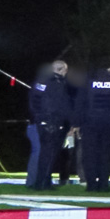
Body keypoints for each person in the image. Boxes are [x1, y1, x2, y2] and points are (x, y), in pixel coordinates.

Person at [26, 60, 73, 190]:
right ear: (62, 70)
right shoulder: (57, 83)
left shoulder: (40, 81)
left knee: (44, 153)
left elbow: (33, 100)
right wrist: (69, 122)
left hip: (40, 121)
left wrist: (38, 117)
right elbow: (63, 105)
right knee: (50, 154)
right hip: (53, 122)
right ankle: (42, 183)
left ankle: (42, 182)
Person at [79, 63, 110, 192]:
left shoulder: (88, 83)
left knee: (90, 154)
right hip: (107, 124)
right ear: (109, 69)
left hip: (89, 124)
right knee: (105, 154)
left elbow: (80, 103)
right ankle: (104, 185)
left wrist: (79, 122)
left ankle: (91, 185)